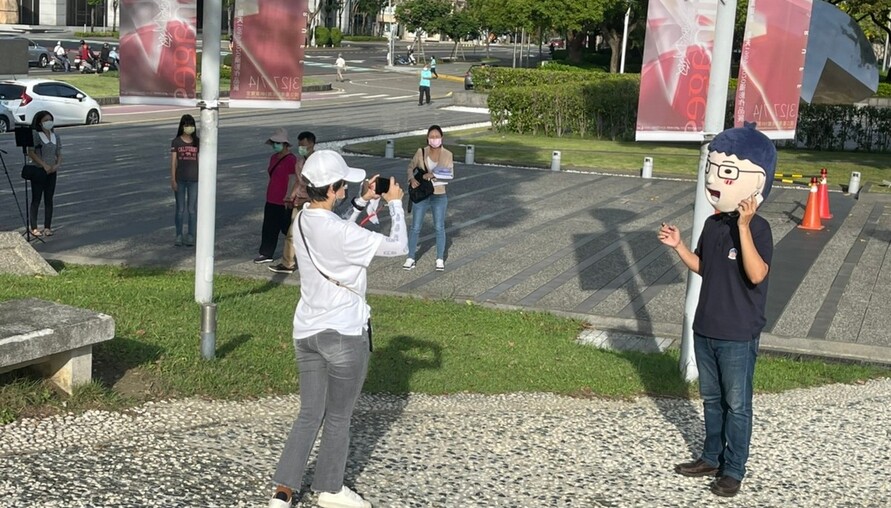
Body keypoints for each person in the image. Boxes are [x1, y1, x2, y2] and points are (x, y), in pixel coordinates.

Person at [267, 150, 407, 508]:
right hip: (344, 331)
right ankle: (329, 489)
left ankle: (283, 492)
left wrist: (364, 198)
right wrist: (393, 205)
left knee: (309, 413)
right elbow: (398, 247)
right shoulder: (343, 233)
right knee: (339, 416)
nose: (346, 187)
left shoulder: (300, 220)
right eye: (343, 184)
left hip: (307, 330)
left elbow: (335, 221)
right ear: (331, 189)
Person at [658, 123, 777, 498]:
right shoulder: (711, 225)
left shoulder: (759, 230)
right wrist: (679, 247)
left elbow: (757, 274)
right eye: (713, 168)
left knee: (737, 404)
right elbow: (705, 267)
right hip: (706, 327)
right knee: (711, 399)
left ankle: (734, 469)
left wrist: (743, 226)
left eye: (727, 172)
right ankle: (711, 456)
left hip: (738, 333)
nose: (715, 179)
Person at [403, 125, 453, 271]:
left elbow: (450, 173)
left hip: (439, 194)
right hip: (422, 193)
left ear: (442, 138)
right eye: (432, 136)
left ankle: (439, 258)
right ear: (427, 138)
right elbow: (410, 167)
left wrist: (434, 174)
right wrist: (411, 179)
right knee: (415, 227)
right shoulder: (421, 152)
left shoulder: (447, 154)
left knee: (439, 227)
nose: (434, 139)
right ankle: (411, 257)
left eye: (437, 136)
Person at [269, 131, 316, 275]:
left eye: (304, 145)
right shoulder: (300, 162)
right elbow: (297, 182)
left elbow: (320, 185)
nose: (301, 148)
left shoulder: (318, 161)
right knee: (292, 233)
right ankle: (287, 263)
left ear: (312, 144)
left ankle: (319, 264)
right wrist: (291, 196)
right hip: (300, 202)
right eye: (300, 145)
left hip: (315, 203)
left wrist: (308, 198)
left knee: (316, 235)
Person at [254, 128, 298, 264]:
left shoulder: (291, 160)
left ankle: (299, 251)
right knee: (269, 227)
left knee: (287, 228)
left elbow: (292, 178)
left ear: (285, 144)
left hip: (284, 199)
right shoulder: (273, 158)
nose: (275, 145)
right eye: (274, 143)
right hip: (271, 197)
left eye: (278, 143)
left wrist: (289, 196)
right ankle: (266, 253)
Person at [26, 111, 61, 237]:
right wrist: (43, 164)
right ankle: (34, 227)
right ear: (40, 122)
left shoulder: (55, 136)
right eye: (46, 120)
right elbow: (31, 152)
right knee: (36, 199)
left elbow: (59, 153)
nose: (49, 122)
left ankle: (47, 227)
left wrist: (56, 165)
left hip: (52, 171)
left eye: (50, 119)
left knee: (49, 199)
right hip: (39, 171)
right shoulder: (36, 135)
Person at [170, 114, 199, 246]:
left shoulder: (197, 142)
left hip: (194, 180)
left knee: (192, 210)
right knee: (180, 209)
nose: (189, 128)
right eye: (186, 125)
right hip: (180, 179)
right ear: (182, 126)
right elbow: (173, 162)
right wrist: (173, 179)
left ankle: (191, 235)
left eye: (191, 125)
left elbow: (200, 160)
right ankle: (179, 235)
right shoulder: (176, 142)